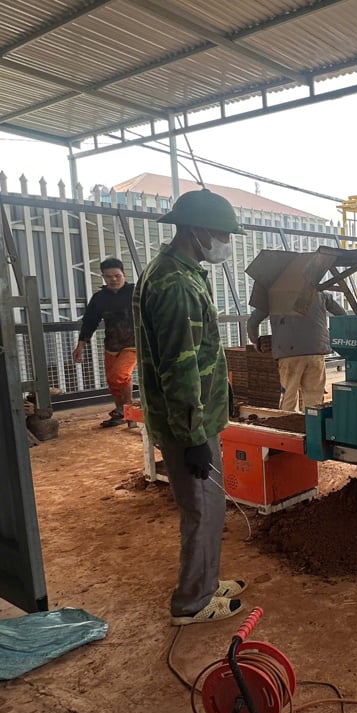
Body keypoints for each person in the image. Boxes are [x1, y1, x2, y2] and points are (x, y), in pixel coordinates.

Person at [133, 189, 247, 625]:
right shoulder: (176, 283)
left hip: (192, 420)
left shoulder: (176, 270)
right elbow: (180, 368)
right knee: (201, 509)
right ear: (197, 230)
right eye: (221, 233)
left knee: (210, 506)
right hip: (187, 426)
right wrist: (194, 436)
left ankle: (205, 582)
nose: (226, 242)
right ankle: (191, 603)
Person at [247, 289, 346, 412]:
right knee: (314, 397)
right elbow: (343, 315)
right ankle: (312, 427)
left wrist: (255, 340)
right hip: (316, 351)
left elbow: (253, 321)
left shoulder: (273, 296)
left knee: (289, 395)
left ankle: (289, 425)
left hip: (288, 353)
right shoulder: (320, 293)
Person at [72, 258, 138, 428]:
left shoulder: (135, 293)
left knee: (119, 375)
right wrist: (81, 344)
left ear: (124, 275)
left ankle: (126, 410)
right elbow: (90, 321)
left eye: (117, 275)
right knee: (112, 381)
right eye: (108, 276)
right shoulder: (99, 298)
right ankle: (122, 414)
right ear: (103, 277)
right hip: (111, 345)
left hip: (134, 343)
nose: (113, 279)